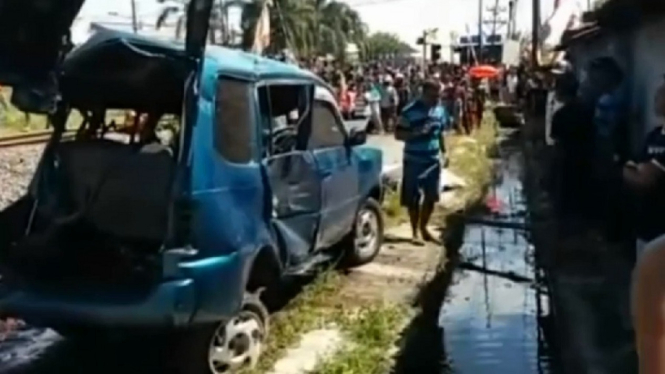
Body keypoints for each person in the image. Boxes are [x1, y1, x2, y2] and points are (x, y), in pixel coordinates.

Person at [395, 80, 449, 244]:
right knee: (413, 198)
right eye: (434, 96)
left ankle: (424, 227)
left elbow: (441, 133)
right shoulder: (409, 111)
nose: (437, 99)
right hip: (414, 160)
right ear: (424, 93)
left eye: (439, 95)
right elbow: (398, 135)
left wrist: (445, 152)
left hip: (433, 159)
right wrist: (417, 132)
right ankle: (414, 232)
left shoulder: (439, 110)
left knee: (431, 196)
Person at [623, 80, 665, 260]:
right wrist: (636, 170)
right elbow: (630, 166)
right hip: (645, 225)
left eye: (662, 95)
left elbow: (646, 180)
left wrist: (637, 171)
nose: (658, 98)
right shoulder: (654, 135)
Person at [550, 73, 594, 228]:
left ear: (560, 92)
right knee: (582, 194)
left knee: (564, 197)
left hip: (566, 160)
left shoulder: (560, 115)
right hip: (585, 158)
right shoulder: (587, 110)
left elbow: (556, 141)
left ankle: (565, 230)